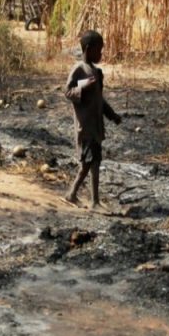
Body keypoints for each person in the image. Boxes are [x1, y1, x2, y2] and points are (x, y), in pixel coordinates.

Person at [64, 30, 122, 209]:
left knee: (94, 162)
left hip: (96, 126)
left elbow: (99, 99)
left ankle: (91, 199)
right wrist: (82, 86)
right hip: (86, 127)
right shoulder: (79, 69)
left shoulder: (97, 72)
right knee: (88, 163)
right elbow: (68, 92)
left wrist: (112, 115)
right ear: (88, 49)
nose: (101, 54)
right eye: (99, 50)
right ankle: (74, 194)